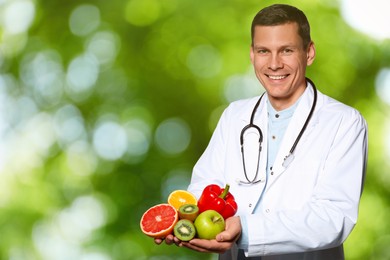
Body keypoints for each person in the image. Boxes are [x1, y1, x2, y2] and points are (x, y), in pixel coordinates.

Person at [155, 4, 368, 259]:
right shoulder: (235, 116)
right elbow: (204, 186)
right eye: (264, 51)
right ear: (252, 55)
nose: (274, 64)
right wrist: (181, 220)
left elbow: (333, 218)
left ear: (308, 53)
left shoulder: (344, 122)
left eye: (286, 50)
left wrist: (246, 229)